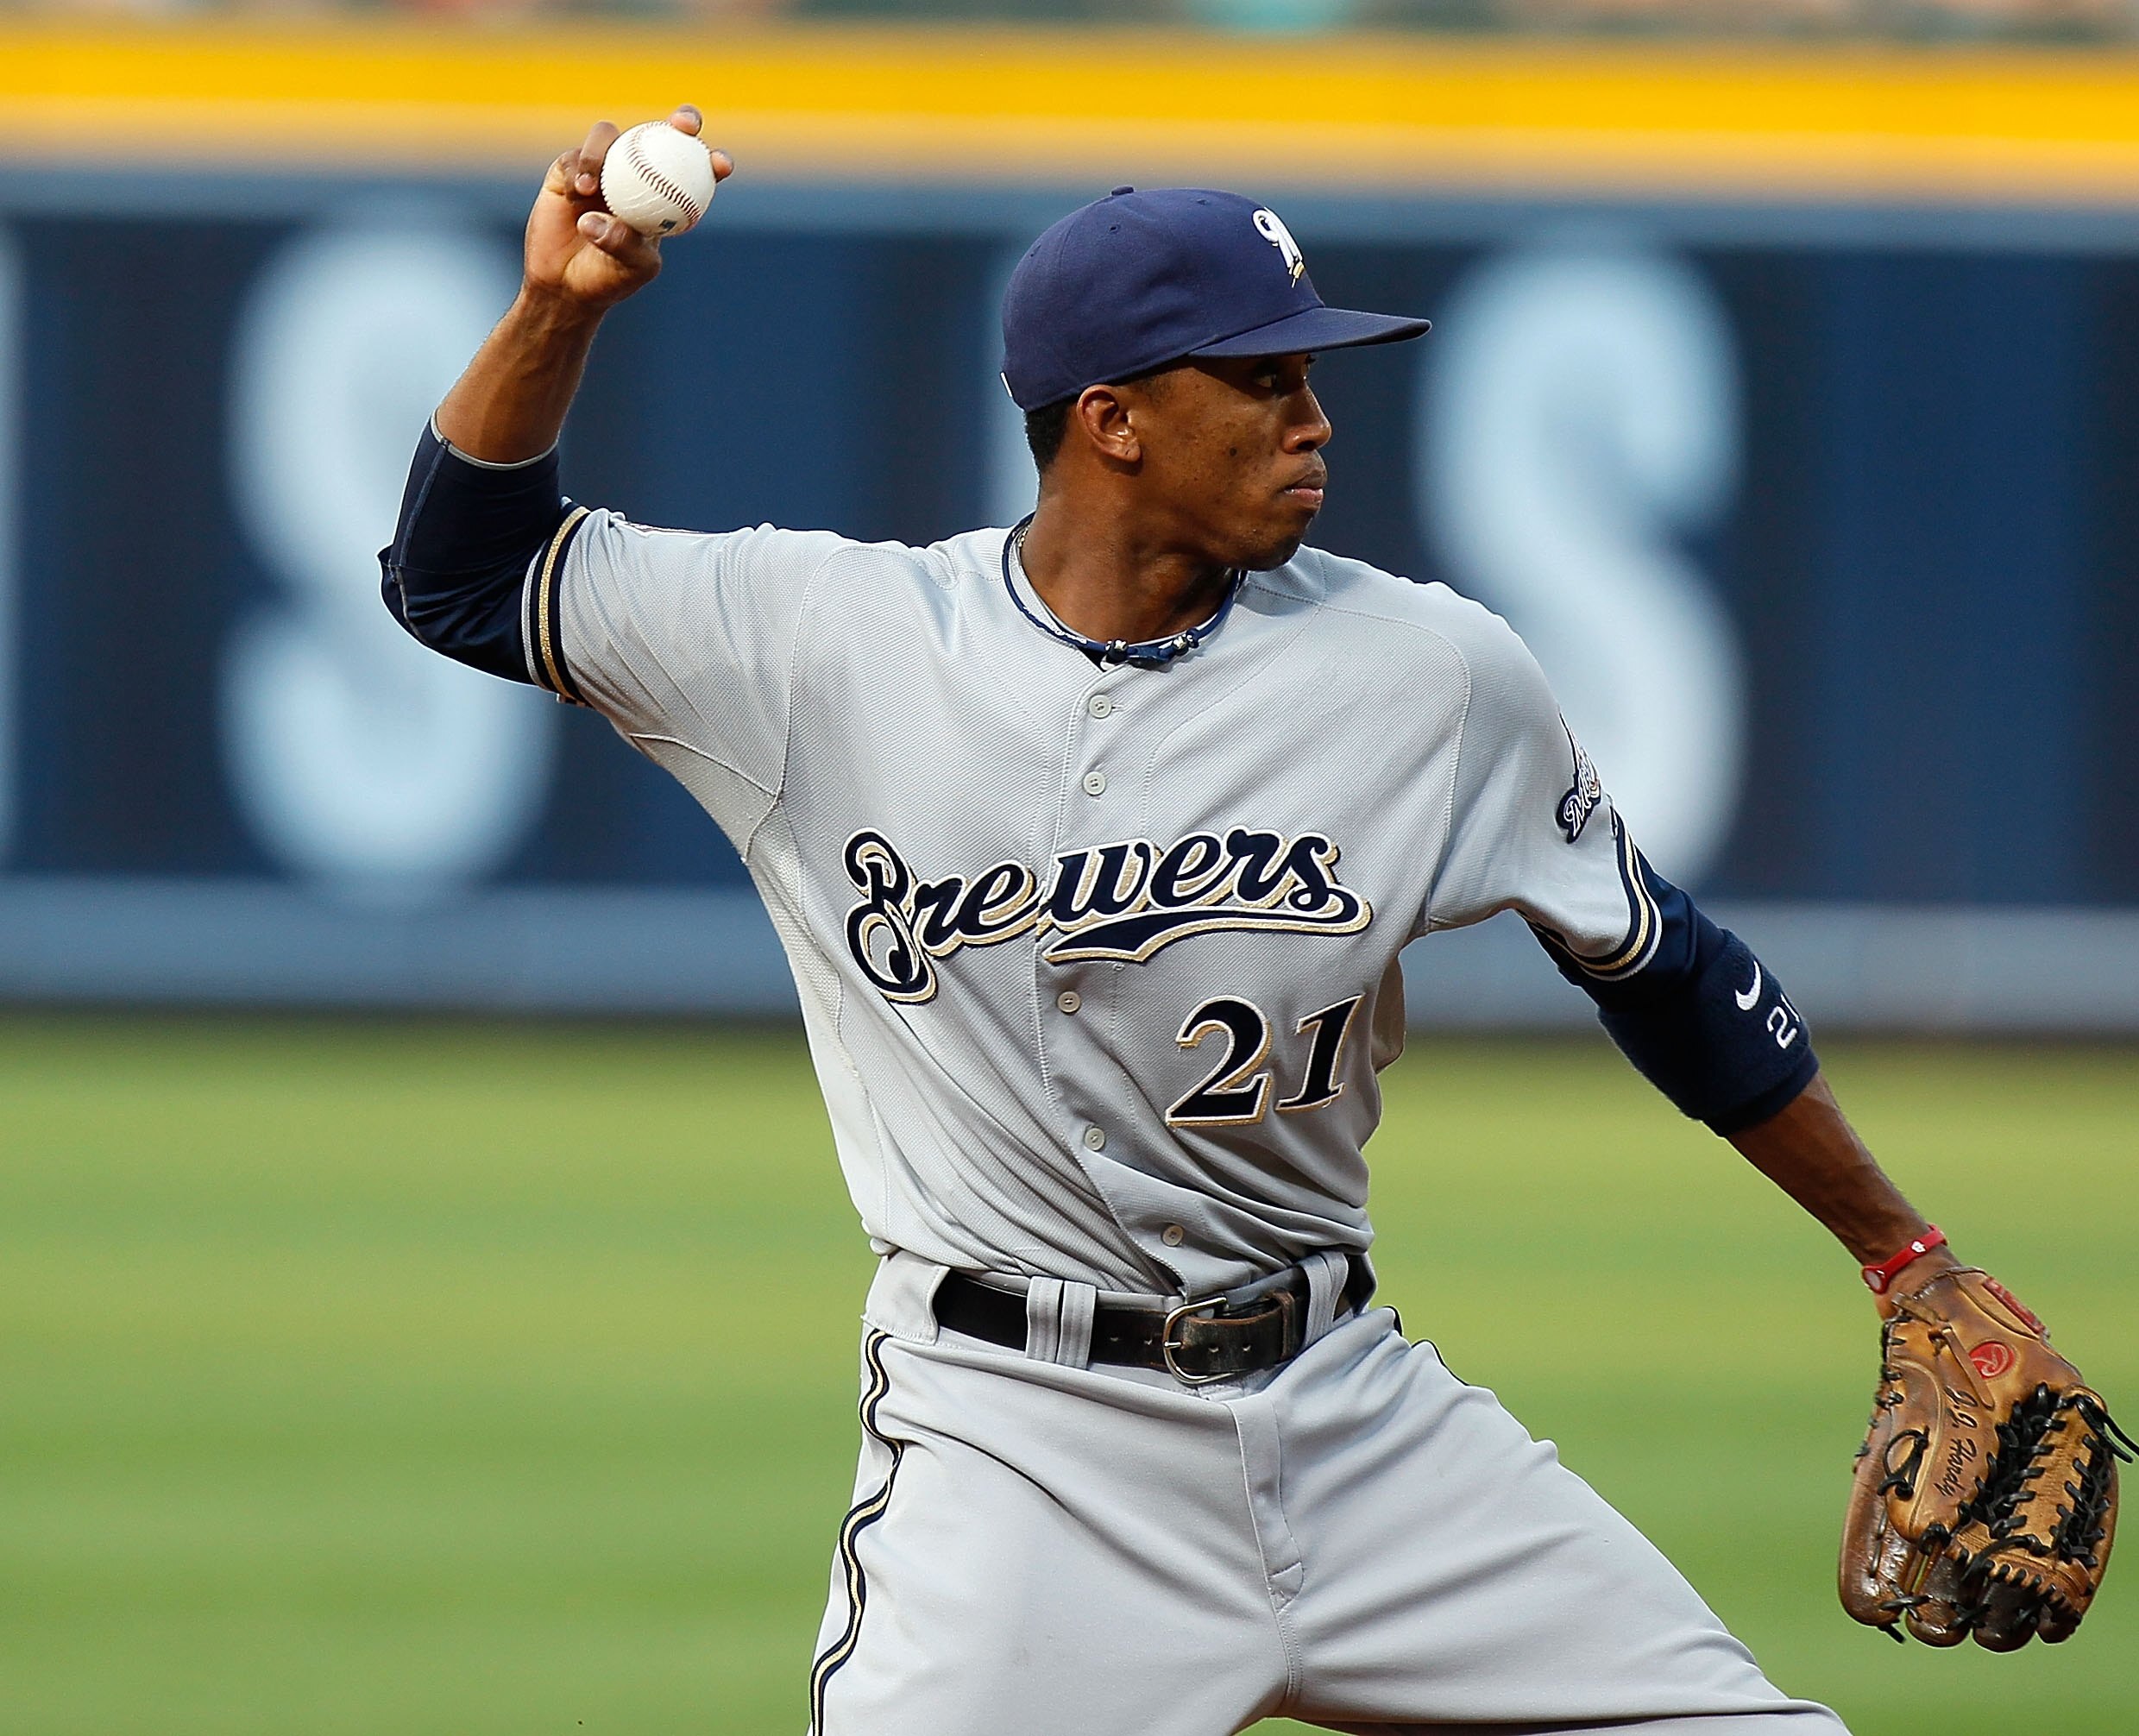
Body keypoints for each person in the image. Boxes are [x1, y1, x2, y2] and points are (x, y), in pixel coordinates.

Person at [382, 107, 2035, 1735]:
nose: (1314, 418)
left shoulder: (1432, 672)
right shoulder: (826, 648)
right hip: (1021, 1449)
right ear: (1111, 420)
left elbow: (1661, 967)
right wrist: (557, 310)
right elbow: (459, 575)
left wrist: (1905, 1258)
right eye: (1262, 380)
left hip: (1352, 1414)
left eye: (1312, 375)